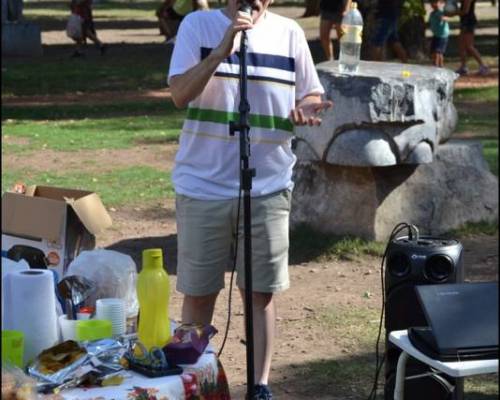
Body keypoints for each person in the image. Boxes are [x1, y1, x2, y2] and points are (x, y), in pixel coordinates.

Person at [167, 1, 332, 398]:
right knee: (200, 292)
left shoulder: (289, 32)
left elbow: (311, 93)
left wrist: (308, 108)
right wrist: (222, 50)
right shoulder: (197, 26)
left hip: (268, 183)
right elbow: (178, 94)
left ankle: (259, 386)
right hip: (203, 185)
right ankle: (194, 385)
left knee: (260, 292)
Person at [455, 0, 489, 75]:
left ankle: (483, 66)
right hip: (464, 22)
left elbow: (465, 11)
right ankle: (463, 67)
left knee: (469, 46)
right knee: (461, 45)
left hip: (469, 22)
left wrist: (452, 13)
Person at [429, 0, 449, 67]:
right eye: (432, 2)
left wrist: (443, 18)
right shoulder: (432, 13)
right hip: (436, 35)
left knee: (437, 51)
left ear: (440, 3)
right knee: (436, 52)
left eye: (436, 2)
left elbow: (445, 18)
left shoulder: (440, 13)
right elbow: (430, 23)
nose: (434, 4)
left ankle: (437, 66)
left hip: (442, 35)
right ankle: (438, 66)